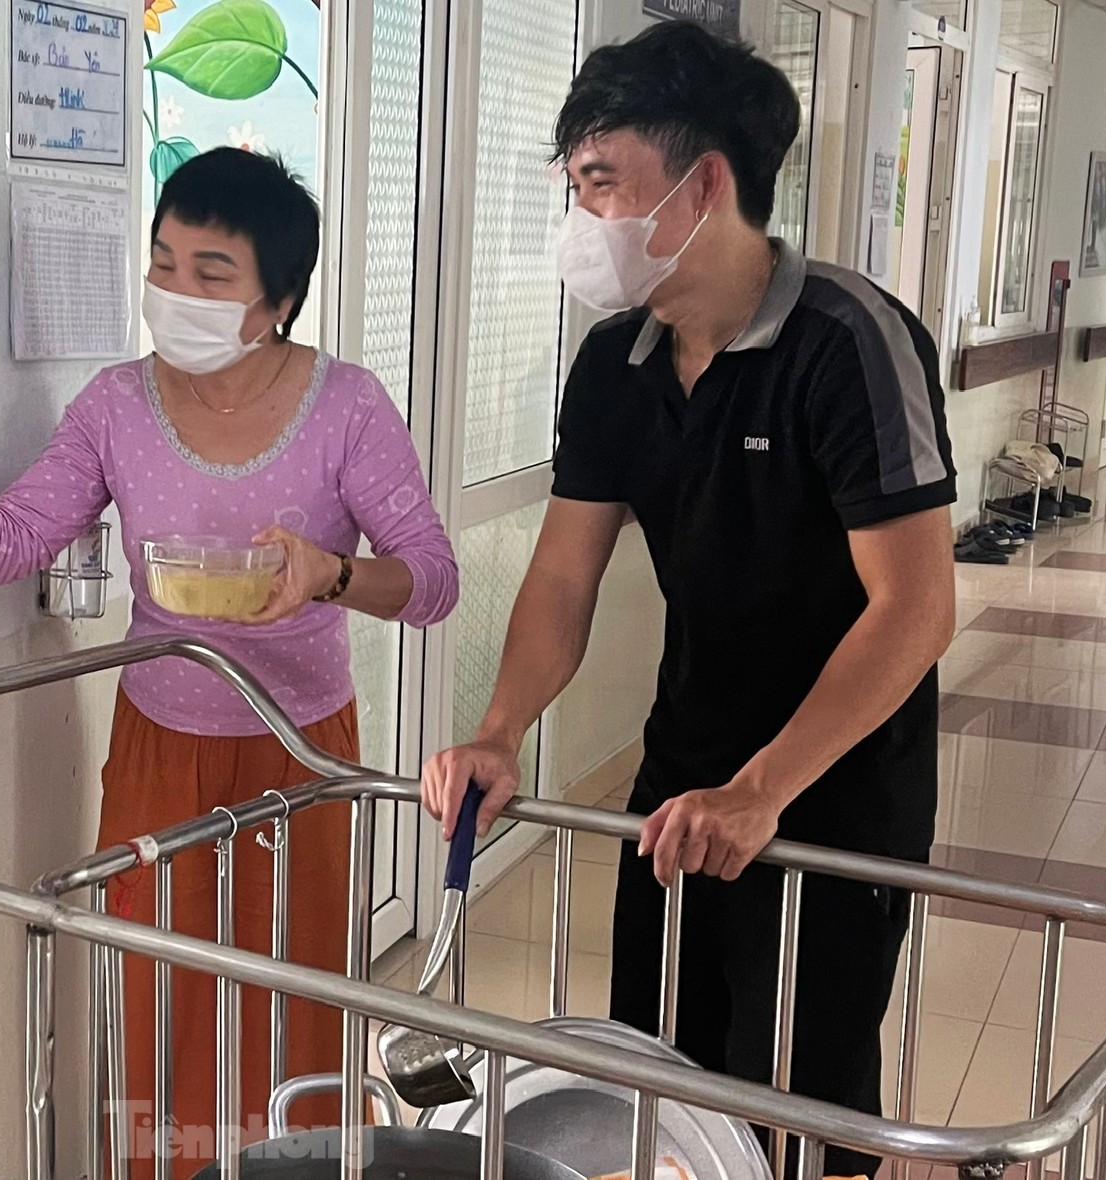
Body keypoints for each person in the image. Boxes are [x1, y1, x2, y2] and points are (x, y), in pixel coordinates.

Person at [0, 147, 458, 1173]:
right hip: (158, 745)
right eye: (163, 262)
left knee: (292, 1004)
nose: (175, 292)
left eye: (212, 274)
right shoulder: (119, 406)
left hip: (302, 753)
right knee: (157, 1003)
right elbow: (8, 538)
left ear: (278, 301)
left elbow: (430, 581)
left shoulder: (347, 407)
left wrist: (333, 574)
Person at [419, 23, 956, 1180]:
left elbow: (911, 609)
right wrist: (500, 733)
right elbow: (563, 576)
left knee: (801, 1119)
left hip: (831, 796)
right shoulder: (614, 362)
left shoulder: (848, 341)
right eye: (575, 187)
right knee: (660, 1091)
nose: (582, 219)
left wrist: (763, 789)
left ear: (705, 183)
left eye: (601, 183)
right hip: (680, 788)